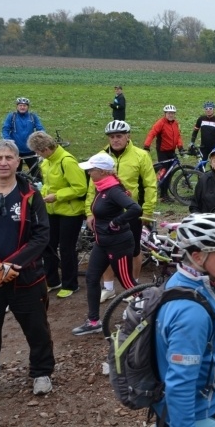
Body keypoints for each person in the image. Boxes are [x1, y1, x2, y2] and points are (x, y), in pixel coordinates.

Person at [153, 213, 215, 427]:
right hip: (193, 411)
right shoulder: (191, 314)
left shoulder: (194, 282)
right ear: (198, 257)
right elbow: (180, 384)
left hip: (204, 400)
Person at [0, 140, 54, 400]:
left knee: (37, 327)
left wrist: (11, 265)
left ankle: (41, 373)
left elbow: (41, 235)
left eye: (9, 157)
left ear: (18, 161)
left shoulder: (31, 194)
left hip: (26, 277)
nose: (4, 162)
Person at [85, 120, 157, 301]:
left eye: (119, 136)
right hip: (105, 212)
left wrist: (147, 211)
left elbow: (150, 184)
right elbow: (91, 187)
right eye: (111, 137)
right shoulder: (100, 156)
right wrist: (89, 212)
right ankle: (108, 288)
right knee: (106, 248)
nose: (115, 140)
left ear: (128, 136)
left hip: (130, 212)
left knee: (133, 251)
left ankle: (133, 286)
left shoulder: (140, 155)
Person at [72, 153, 141, 336]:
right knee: (91, 278)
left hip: (118, 244)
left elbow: (135, 208)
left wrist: (116, 222)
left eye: (91, 170)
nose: (88, 173)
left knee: (128, 283)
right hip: (102, 243)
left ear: (102, 171)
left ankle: (148, 310)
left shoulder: (113, 190)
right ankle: (93, 321)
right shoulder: (101, 187)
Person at [27, 131, 88, 298]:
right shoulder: (46, 162)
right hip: (51, 210)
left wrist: (57, 196)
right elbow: (48, 184)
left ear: (46, 149)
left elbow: (80, 187)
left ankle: (71, 284)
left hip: (70, 211)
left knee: (67, 248)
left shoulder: (67, 161)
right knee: (48, 245)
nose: (37, 155)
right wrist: (41, 193)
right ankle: (52, 281)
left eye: (38, 151)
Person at [143, 104, 185, 200]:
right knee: (164, 172)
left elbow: (178, 136)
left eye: (172, 113)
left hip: (172, 151)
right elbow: (152, 133)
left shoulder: (175, 123)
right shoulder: (160, 123)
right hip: (162, 151)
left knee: (169, 173)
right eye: (169, 113)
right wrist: (147, 145)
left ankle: (165, 193)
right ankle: (162, 194)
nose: (171, 115)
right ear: (165, 113)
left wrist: (180, 147)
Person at [1, 97, 45, 170]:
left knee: (35, 171)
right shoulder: (12, 116)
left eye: (24, 106)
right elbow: (5, 129)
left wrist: (41, 136)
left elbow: (40, 128)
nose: (22, 107)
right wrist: (8, 140)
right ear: (17, 107)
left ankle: (38, 181)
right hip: (15, 149)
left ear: (27, 107)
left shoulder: (32, 116)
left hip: (30, 149)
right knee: (16, 172)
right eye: (20, 105)